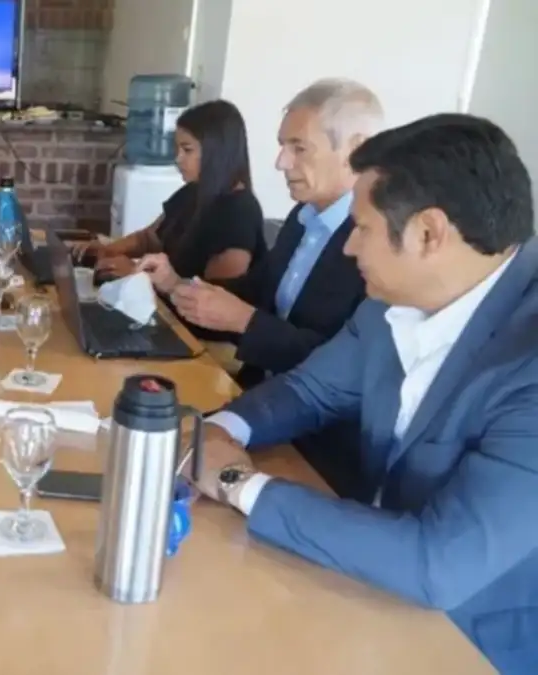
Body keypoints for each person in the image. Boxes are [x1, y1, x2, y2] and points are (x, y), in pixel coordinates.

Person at [195, 113, 538, 674]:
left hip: (469, 642)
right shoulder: (391, 302)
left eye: (362, 228)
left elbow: (437, 563)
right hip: (360, 581)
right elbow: (308, 390)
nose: (350, 248)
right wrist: (218, 431)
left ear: (428, 233)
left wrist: (237, 482)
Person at [139, 79, 381, 500]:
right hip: (254, 403)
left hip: (318, 448)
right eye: (282, 146)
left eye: (299, 148)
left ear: (356, 149)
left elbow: (339, 371)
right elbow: (254, 293)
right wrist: (176, 285)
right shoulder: (302, 220)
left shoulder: (376, 246)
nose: (281, 162)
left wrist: (245, 321)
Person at [73, 99, 265, 284]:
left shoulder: (240, 214)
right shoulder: (192, 192)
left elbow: (212, 296)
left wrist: (136, 274)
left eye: (187, 150)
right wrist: (108, 250)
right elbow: (148, 239)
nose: (178, 158)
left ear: (217, 152)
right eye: (177, 148)